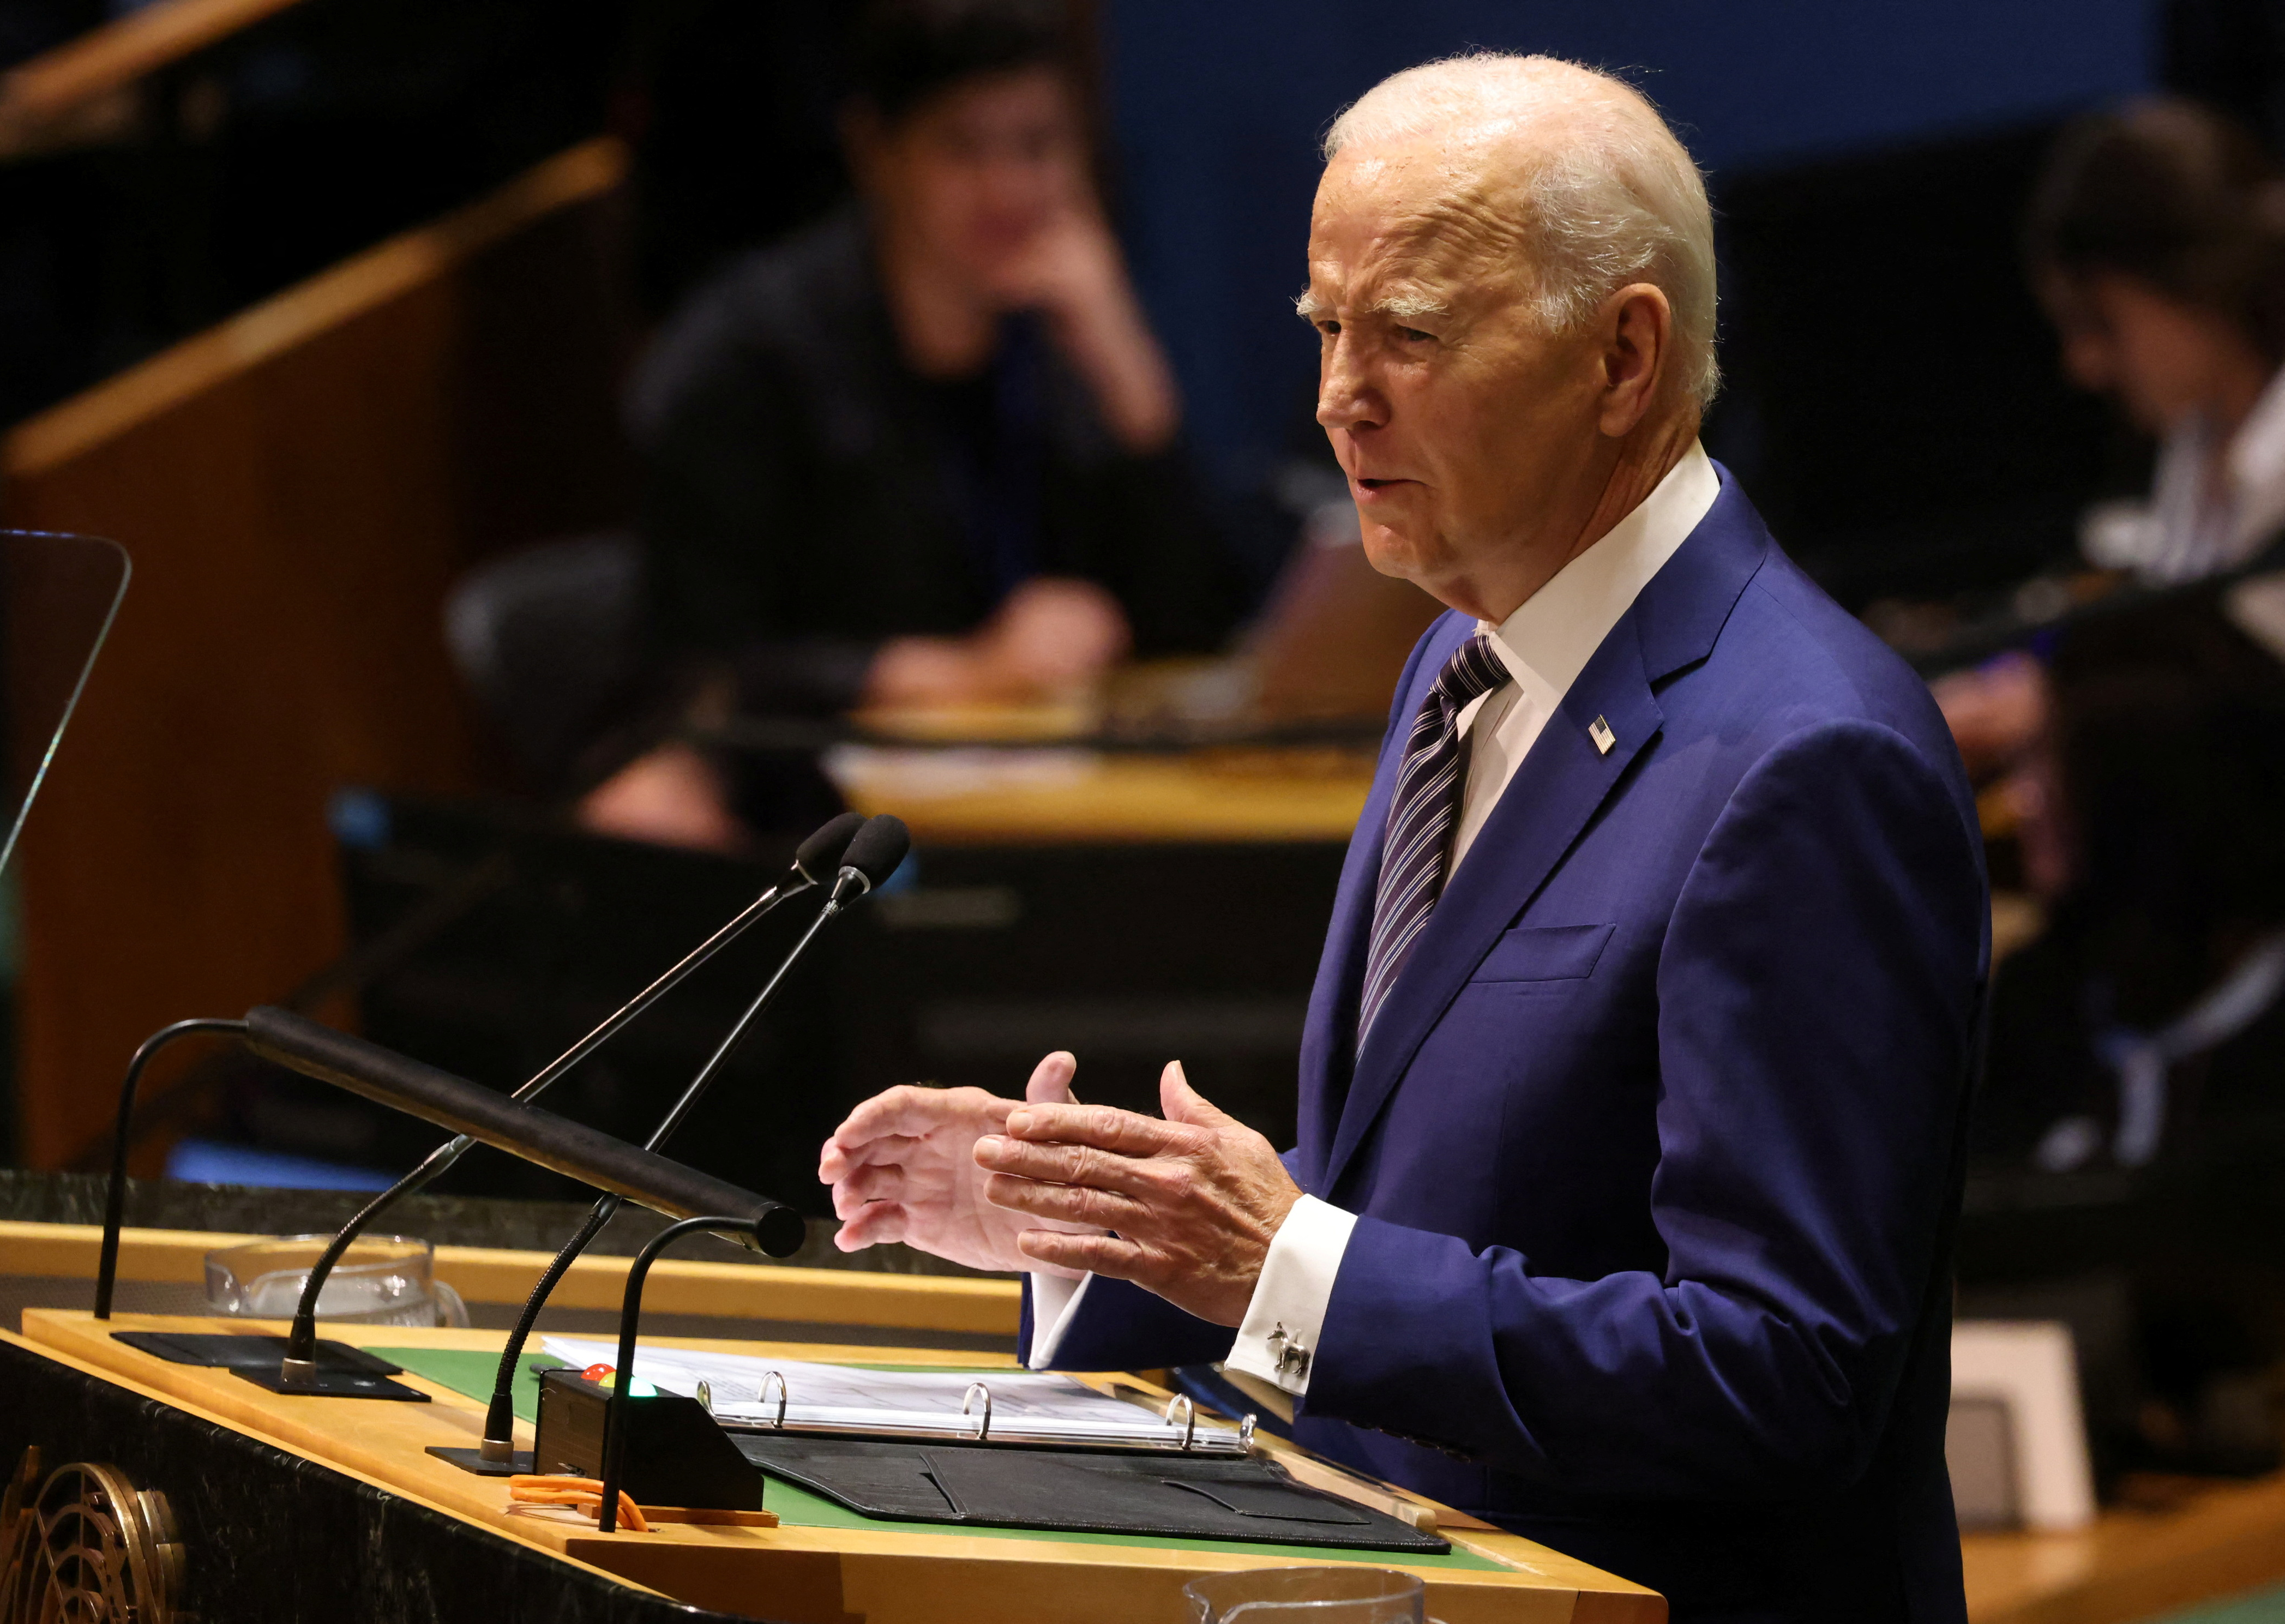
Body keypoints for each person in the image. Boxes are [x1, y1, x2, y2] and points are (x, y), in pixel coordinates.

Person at [820, 53, 1988, 1623]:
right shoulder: (1458, 657)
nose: (1336, 396)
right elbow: (1445, 1202)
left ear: (1623, 359)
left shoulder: (1809, 756)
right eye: (1325, 329)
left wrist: (1280, 1264)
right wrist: (1110, 1234)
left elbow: (1781, 1372)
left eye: (1410, 336)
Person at [582, 0, 1236, 852]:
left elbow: (1202, 628)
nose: (1007, 189)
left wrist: (1133, 384)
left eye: (1037, 146)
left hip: (1030, 816)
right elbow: (696, 672)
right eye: (963, 148)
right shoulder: (748, 360)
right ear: (875, 152)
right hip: (808, 830)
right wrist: (970, 671)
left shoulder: (1055, 333)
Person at [1938, 97, 2285, 792]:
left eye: (2098, 321)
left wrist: (2060, 709)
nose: (2085, 364)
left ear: (2195, 279)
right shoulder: (2193, 446)